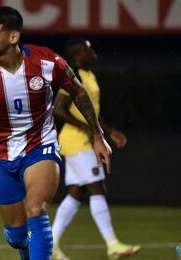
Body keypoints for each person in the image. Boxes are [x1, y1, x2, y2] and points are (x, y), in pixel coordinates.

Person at [0, 7, 112, 260]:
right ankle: (24, 246)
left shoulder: (46, 61)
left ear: (13, 37)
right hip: (0, 153)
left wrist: (97, 135)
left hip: (40, 145)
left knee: (36, 208)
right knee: (15, 236)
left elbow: (78, 92)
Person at [51, 38, 141, 260]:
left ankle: (50, 245)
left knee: (76, 194)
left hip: (80, 141)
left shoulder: (89, 76)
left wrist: (108, 131)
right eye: (88, 49)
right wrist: (90, 131)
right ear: (78, 54)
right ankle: (113, 246)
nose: (93, 52)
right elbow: (58, 109)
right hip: (78, 142)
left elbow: (91, 112)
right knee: (97, 188)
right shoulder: (73, 75)